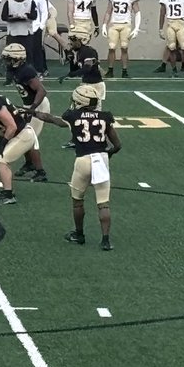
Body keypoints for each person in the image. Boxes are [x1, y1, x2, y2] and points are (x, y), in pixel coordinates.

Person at [26, 84, 120, 249]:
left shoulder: (72, 115)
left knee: (78, 201)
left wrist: (35, 113)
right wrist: (109, 154)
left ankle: (79, 234)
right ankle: (105, 241)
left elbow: (53, 120)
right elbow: (117, 144)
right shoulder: (106, 116)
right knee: (103, 203)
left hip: (83, 160)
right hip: (101, 159)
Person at [102, 0, 141, 78]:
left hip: (125, 24)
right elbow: (108, 11)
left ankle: (124, 70)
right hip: (113, 24)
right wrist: (104, 25)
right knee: (111, 47)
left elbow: (137, 12)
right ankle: (110, 70)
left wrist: (136, 28)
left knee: (124, 47)